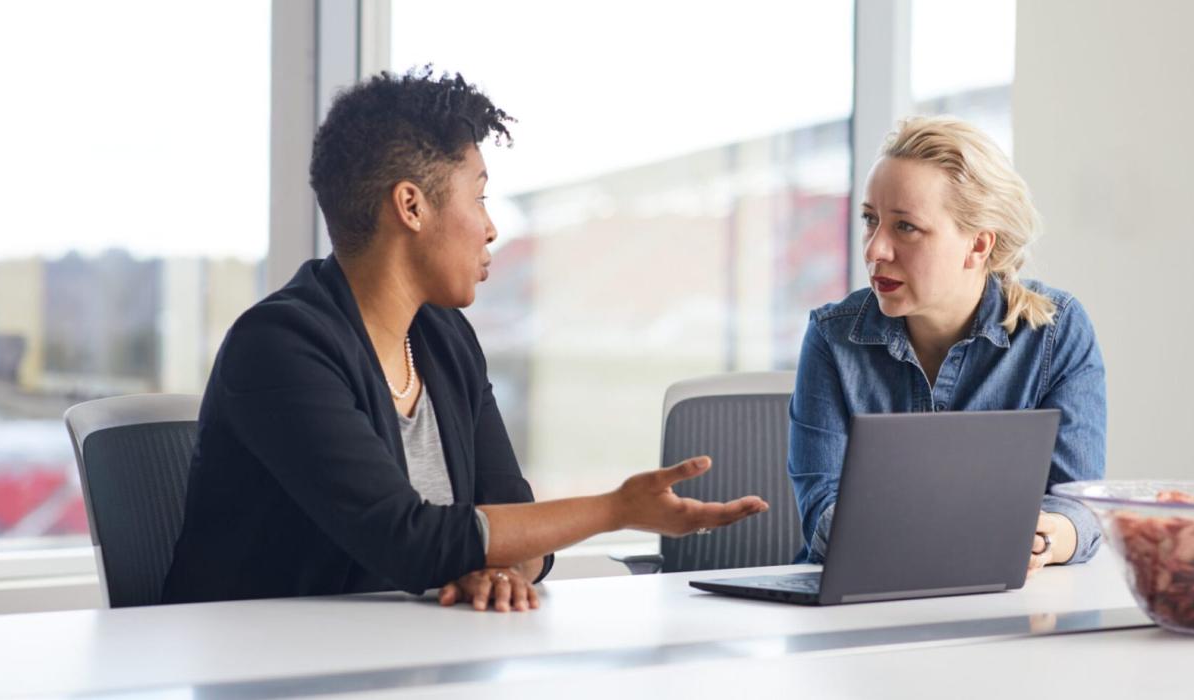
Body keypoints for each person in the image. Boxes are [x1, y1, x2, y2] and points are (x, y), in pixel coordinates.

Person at [161, 68, 768, 610]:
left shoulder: (445, 339)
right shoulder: (278, 347)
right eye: (478, 196)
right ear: (411, 206)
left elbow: (515, 518)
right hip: (262, 672)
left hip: (397, 666)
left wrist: (500, 567)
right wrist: (617, 508)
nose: (491, 226)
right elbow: (406, 542)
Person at [787, 115, 1105, 573]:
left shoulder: (1056, 332)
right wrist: (976, 535)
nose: (875, 249)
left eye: (906, 227)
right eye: (870, 220)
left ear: (978, 245)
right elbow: (823, 513)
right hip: (857, 603)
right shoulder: (833, 337)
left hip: (1006, 603)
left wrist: (1047, 538)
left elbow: (1078, 505)